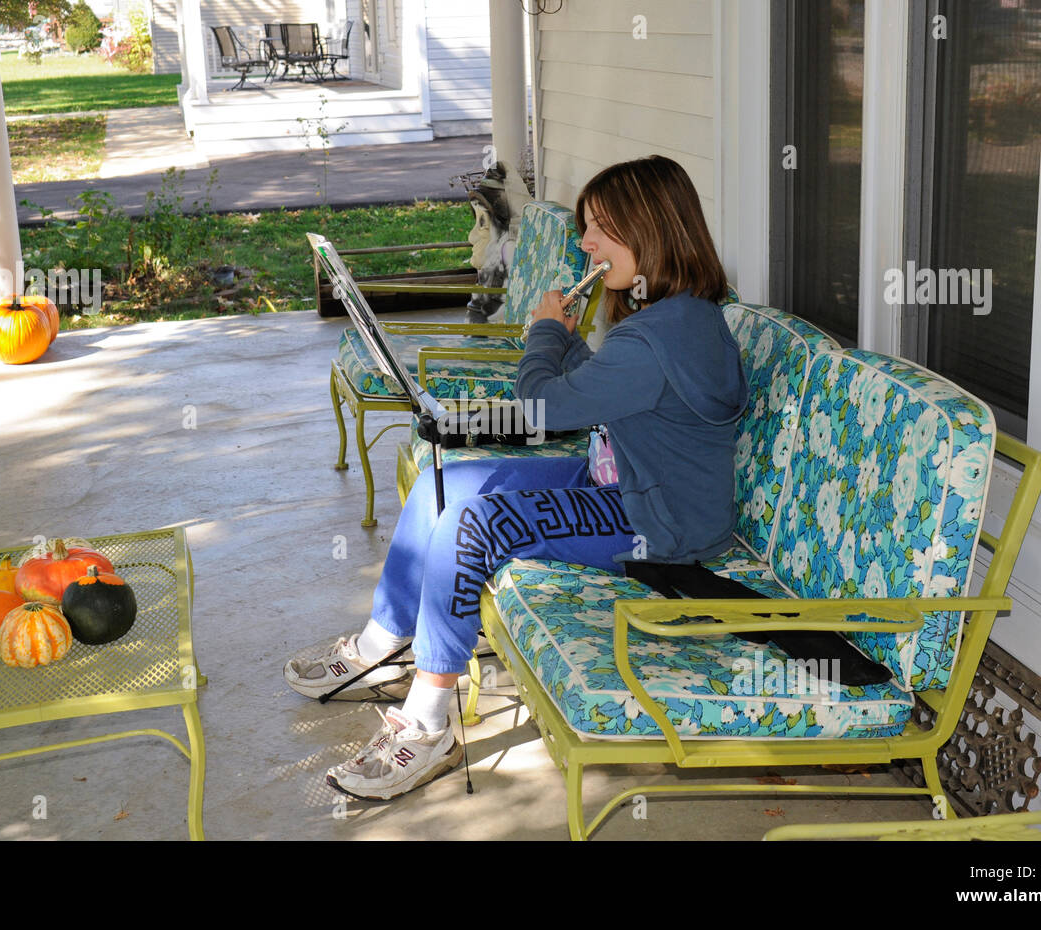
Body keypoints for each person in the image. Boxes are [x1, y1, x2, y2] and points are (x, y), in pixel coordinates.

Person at [284, 155, 749, 801]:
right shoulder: (680, 315)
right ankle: (381, 644)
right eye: (585, 227)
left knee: (472, 523)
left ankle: (427, 720)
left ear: (653, 233)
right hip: (624, 485)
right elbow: (602, 391)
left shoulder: (655, 337)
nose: (585, 243)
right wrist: (564, 338)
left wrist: (542, 335)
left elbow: (541, 410)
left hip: (657, 524)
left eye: (601, 229)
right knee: (445, 482)